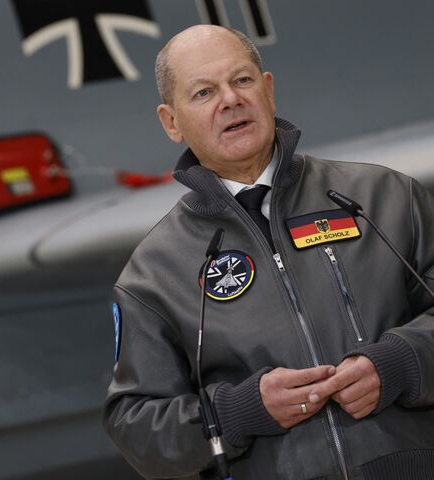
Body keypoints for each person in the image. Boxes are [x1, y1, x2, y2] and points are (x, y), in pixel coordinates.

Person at [103, 25, 434, 479]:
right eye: (203, 93)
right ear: (171, 122)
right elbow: (138, 430)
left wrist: (402, 363)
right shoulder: (154, 273)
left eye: (242, 80)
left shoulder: (384, 198)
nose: (230, 100)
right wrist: (240, 413)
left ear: (269, 89)